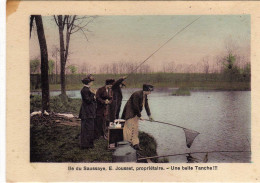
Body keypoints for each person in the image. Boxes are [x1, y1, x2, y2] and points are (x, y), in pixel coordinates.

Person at [121, 84, 154, 150]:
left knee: (135, 129)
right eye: (150, 91)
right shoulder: (137, 94)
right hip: (129, 114)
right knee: (129, 129)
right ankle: (127, 145)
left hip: (135, 114)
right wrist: (140, 116)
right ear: (146, 90)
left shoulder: (145, 95)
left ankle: (135, 144)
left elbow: (146, 106)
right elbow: (135, 106)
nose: (150, 93)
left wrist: (149, 115)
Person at [79, 74, 96, 149]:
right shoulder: (84, 90)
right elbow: (88, 101)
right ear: (88, 83)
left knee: (90, 128)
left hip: (89, 112)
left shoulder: (87, 89)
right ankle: (85, 145)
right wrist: (93, 94)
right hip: (86, 112)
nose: (92, 83)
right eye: (91, 81)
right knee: (87, 129)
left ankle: (89, 144)